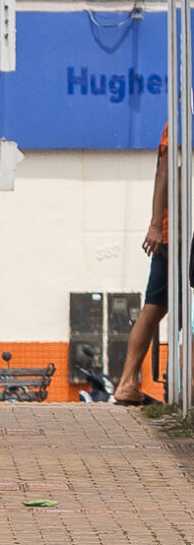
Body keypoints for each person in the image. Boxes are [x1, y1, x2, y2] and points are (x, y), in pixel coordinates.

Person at [118, 130, 169, 406]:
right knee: (154, 306)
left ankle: (127, 384)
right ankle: (126, 383)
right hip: (175, 235)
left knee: (156, 307)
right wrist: (155, 226)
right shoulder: (180, 124)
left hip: (175, 233)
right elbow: (164, 173)